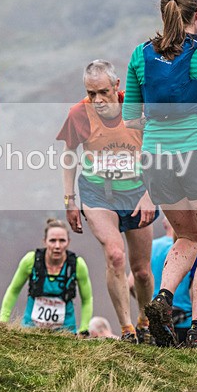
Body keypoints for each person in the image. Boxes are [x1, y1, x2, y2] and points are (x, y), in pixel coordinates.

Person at [123, 0, 197, 348]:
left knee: (186, 236)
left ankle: (162, 299)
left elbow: (130, 120)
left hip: (157, 159)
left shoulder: (140, 55)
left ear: (163, 13)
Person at [57, 60, 158, 344]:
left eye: (103, 92)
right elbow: (69, 154)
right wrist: (69, 199)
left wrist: (151, 195)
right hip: (97, 192)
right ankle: (127, 329)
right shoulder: (79, 114)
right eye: (91, 94)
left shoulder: (138, 109)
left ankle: (145, 321)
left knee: (141, 269)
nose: (98, 100)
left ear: (116, 86)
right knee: (115, 255)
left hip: (138, 190)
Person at [0, 219, 93, 334]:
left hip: (66, 332)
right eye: (52, 240)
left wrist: (84, 328)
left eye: (62, 241)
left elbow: (87, 299)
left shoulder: (78, 265)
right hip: (30, 329)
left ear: (68, 242)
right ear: (45, 242)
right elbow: (13, 290)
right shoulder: (30, 260)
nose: (57, 246)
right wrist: (3, 321)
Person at [150, 217, 193, 341]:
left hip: (157, 318)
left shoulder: (152, 247)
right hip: (185, 319)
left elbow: (131, 284)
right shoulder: (192, 250)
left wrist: (148, 303)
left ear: (164, 224)